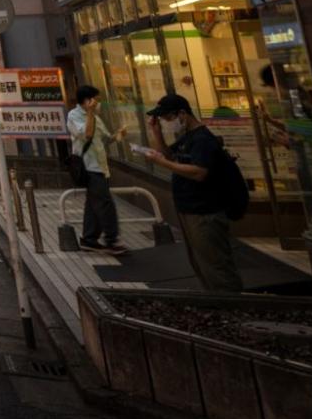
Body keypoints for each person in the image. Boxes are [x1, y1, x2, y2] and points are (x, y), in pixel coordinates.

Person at [138, 93, 244, 293]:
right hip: (190, 209)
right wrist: (157, 132)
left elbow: (199, 172)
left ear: (182, 114)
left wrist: (163, 163)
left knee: (216, 266)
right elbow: (169, 156)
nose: (166, 122)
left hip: (205, 211)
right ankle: (218, 307)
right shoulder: (188, 138)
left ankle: (236, 311)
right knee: (201, 263)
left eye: (167, 118)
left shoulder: (203, 139)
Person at [66, 86, 126, 254]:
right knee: (105, 203)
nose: (98, 104)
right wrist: (91, 113)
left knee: (93, 204)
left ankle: (89, 239)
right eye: (96, 100)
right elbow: (86, 135)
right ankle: (112, 240)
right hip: (88, 167)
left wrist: (118, 135)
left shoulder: (96, 118)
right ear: (87, 101)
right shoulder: (74, 115)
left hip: (101, 166)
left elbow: (105, 140)